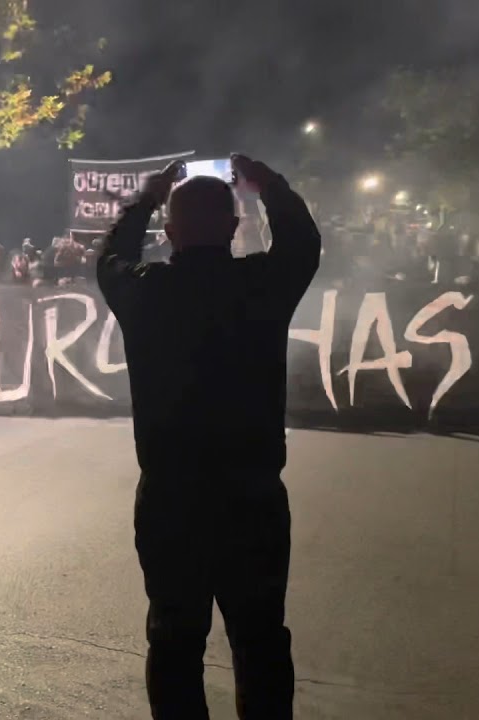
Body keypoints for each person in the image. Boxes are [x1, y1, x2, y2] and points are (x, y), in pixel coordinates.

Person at [96, 155, 320, 720]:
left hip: (172, 500)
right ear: (234, 226)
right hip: (253, 497)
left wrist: (145, 197)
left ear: (168, 234)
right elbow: (302, 242)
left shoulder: (145, 291)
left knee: (174, 641)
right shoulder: (262, 285)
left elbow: (110, 257)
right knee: (261, 640)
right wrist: (270, 184)